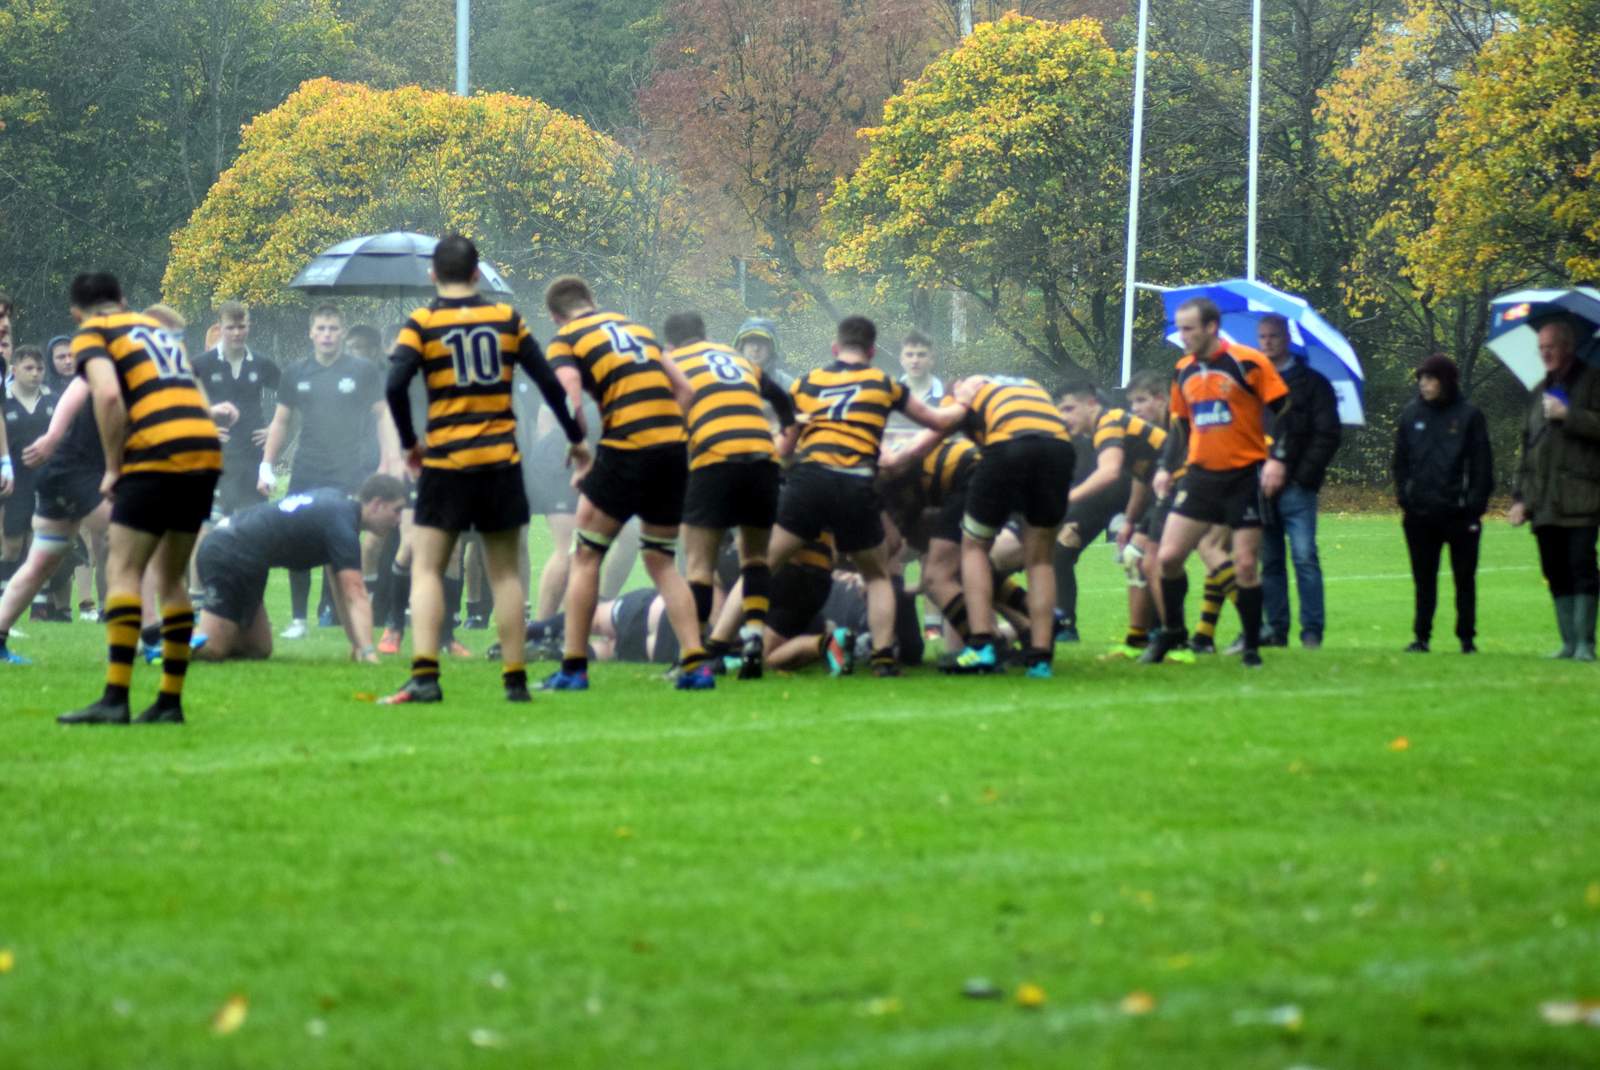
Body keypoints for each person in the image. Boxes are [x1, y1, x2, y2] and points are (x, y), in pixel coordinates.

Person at [380, 237, 587, 704]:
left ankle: (425, 677)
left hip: (446, 463)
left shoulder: (422, 323)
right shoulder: (507, 320)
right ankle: (515, 681)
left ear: (433, 275)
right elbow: (549, 384)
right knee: (506, 575)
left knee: (427, 569)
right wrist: (576, 439)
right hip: (500, 464)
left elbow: (394, 385)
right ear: (477, 275)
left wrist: (410, 444)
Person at [57, 272, 222, 725]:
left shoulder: (94, 331)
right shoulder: (157, 330)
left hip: (157, 450)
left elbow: (109, 395)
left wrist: (114, 467)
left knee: (123, 569)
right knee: (171, 577)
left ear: (77, 312)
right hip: (203, 448)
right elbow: (195, 390)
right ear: (124, 299)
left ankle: (115, 698)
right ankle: (169, 702)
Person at [769, 315, 967, 677]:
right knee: (877, 574)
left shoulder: (807, 382)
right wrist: (965, 403)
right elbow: (939, 422)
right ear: (873, 351)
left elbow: (784, 448)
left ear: (835, 347)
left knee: (761, 564)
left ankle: (725, 647)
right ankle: (883, 657)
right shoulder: (883, 383)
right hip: (857, 483)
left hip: (810, 482)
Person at [538, 276, 709, 691]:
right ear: (592, 300)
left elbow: (569, 401)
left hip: (626, 448)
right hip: (672, 451)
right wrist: (665, 432)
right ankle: (696, 665)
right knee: (661, 559)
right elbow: (686, 390)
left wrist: (580, 450)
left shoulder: (566, 339)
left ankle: (573, 669)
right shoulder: (638, 330)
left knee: (586, 555)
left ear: (555, 316)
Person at [1143, 297, 1290, 668]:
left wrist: (1277, 458)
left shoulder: (1248, 362)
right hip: (1200, 477)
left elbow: (1286, 411)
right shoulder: (1183, 370)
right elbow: (1179, 427)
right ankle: (1173, 630)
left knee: (1245, 565)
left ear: (1211, 327)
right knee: (1169, 557)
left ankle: (1252, 646)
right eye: (1179, 328)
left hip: (1245, 476)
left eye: (1189, 328)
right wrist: (1164, 467)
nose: (1183, 335)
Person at [664, 311, 795, 679]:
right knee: (754, 559)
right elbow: (782, 399)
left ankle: (693, 657)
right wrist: (786, 435)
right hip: (762, 461)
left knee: (699, 565)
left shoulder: (672, 361)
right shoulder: (736, 360)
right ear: (704, 333)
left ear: (670, 342)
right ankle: (752, 642)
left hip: (715, 460)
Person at [258, 303, 400, 640]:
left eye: (333, 328)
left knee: (343, 542)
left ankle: (344, 614)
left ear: (341, 332)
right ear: (311, 332)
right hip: (307, 468)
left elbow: (384, 415)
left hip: (348, 471)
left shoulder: (362, 371)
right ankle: (298, 620)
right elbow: (281, 420)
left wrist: (388, 462)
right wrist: (266, 465)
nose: (327, 335)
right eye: (321, 328)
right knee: (296, 539)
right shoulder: (296, 372)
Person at [938, 375, 1074, 677]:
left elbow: (944, 428)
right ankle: (1040, 659)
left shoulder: (961, 390)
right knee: (1040, 559)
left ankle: (981, 645)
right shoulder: (1025, 384)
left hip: (1008, 447)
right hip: (1059, 448)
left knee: (973, 547)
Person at [193, 478, 407, 661]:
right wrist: (369, 652)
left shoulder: (339, 510)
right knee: (214, 649)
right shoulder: (343, 525)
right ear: (377, 504)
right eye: (396, 510)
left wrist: (357, 644)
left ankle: (219, 631)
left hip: (248, 560)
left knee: (259, 648)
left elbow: (341, 592)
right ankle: (178, 638)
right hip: (230, 551)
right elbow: (356, 593)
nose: (399, 521)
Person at [1509, 318, 1600, 661]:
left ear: (1568, 347)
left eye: (1551, 347)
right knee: (1554, 569)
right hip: (1543, 501)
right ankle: (1567, 643)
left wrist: (1569, 415)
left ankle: (1585, 644)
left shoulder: (1593, 381)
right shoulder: (1539, 391)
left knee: (1581, 566)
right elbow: (1527, 447)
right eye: (1541, 348)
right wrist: (1520, 498)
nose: (1544, 353)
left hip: (1581, 498)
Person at [1393, 354, 1493, 654]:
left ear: (1445, 381)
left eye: (1430, 379)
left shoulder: (1469, 416)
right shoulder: (1411, 414)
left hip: (1459, 514)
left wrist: (1473, 505)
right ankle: (1421, 637)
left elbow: (1482, 465)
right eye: (1421, 379)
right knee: (1423, 579)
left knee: (1464, 578)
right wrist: (1406, 497)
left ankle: (1466, 638)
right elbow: (1400, 462)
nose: (1424, 384)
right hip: (1419, 513)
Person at [1057, 381, 1167, 646]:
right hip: (1140, 493)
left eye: (1069, 409)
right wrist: (1130, 520)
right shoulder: (1100, 432)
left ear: (1092, 404)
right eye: (1060, 410)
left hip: (1180, 485)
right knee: (1139, 558)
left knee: (1163, 559)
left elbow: (1109, 472)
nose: (1064, 417)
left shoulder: (1110, 423)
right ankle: (1147, 635)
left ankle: (1172, 633)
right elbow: (1140, 477)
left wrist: (1067, 499)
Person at [1256, 313, 1342, 649]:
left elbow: (1327, 434)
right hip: (1258, 484)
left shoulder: (1313, 383)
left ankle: (1311, 632)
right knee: (1270, 561)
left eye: (1273, 336)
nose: (1267, 342)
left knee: (1305, 557)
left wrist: (1302, 477)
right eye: (1262, 337)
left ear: (1287, 338)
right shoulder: (1252, 383)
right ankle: (1275, 630)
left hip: (1297, 487)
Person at [192, 301, 279, 518]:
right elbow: (179, 404)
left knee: (254, 523)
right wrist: (203, 428)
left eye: (242, 327)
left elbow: (291, 397)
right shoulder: (201, 364)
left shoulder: (261, 364)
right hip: (217, 456)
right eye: (231, 327)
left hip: (253, 455)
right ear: (220, 327)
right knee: (215, 524)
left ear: (249, 326)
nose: (237, 333)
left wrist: (274, 430)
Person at [1, 347, 56, 584]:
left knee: (39, 545)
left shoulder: (53, 400)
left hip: (45, 482)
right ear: (14, 370)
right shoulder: (4, 401)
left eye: (40, 368)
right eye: (29, 368)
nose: (35, 373)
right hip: (13, 482)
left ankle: (39, 600)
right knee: (11, 546)